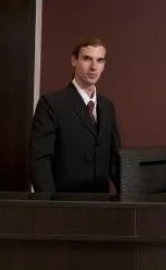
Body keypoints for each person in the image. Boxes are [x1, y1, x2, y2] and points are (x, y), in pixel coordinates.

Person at [30, 37, 122, 193]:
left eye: (99, 60)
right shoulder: (51, 104)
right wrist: (49, 203)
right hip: (65, 202)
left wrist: (134, 197)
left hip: (102, 202)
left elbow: (115, 160)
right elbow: (39, 162)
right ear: (74, 60)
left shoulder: (107, 107)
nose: (94, 67)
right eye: (87, 59)